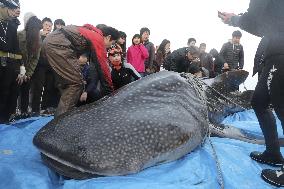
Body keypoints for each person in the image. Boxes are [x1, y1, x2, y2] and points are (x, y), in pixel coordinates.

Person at [219, 1, 284, 187]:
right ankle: (273, 152)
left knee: (282, 107)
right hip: (274, 53)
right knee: (259, 101)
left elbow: (257, 22)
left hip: (281, 52)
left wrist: (234, 19)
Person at [43, 24, 119, 117]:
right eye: (112, 43)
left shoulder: (89, 31)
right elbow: (103, 68)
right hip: (58, 46)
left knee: (66, 83)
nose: (110, 47)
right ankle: (60, 124)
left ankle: (61, 114)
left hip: (50, 42)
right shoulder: (98, 38)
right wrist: (111, 94)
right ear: (108, 37)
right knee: (75, 84)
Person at [16, 12, 42, 118]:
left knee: (26, 89)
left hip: (27, 70)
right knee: (15, 90)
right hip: (16, 68)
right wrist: (19, 72)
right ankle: (13, 111)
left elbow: (35, 58)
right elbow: (15, 54)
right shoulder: (18, 35)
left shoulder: (38, 39)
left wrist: (28, 73)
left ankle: (24, 110)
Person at [0, 0, 21, 123]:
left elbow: (16, 48)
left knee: (6, 91)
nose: (12, 12)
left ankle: (3, 120)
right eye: (10, 8)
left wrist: (21, 66)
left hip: (8, 63)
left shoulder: (12, 26)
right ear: (2, 8)